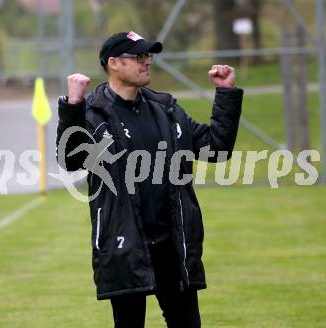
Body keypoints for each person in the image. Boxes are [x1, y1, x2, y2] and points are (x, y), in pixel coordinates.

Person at [56, 31, 243, 328]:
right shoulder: (91, 114)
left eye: (148, 55)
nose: (147, 62)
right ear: (114, 63)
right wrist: (73, 106)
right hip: (125, 245)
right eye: (138, 56)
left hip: (173, 244)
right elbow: (70, 160)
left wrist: (226, 94)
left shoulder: (166, 109)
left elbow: (217, 149)